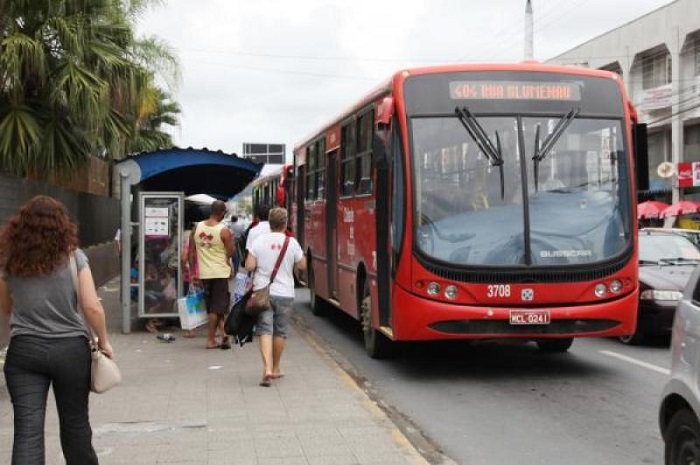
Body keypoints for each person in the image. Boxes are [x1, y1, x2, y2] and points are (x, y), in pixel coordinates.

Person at [0, 195, 113, 465]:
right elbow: (92, 307)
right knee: (75, 427)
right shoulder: (75, 258)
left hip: (24, 351)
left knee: (27, 433)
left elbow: (5, 307)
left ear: (21, 226)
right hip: (71, 352)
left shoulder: (10, 261)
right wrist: (104, 341)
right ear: (62, 225)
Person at [245, 207, 306, 387]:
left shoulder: (259, 240)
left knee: (264, 329)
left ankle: (267, 368)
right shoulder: (291, 242)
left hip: (263, 292)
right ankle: (277, 367)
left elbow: (249, 266)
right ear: (285, 223)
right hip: (285, 293)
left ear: (270, 223)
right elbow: (302, 265)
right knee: (280, 331)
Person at [190, 200, 235, 349]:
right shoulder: (223, 230)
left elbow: (191, 252)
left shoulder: (196, 228)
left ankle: (223, 334)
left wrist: (192, 272)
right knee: (216, 308)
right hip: (220, 273)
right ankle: (210, 340)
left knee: (216, 305)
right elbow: (231, 252)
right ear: (222, 213)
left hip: (204, 273)